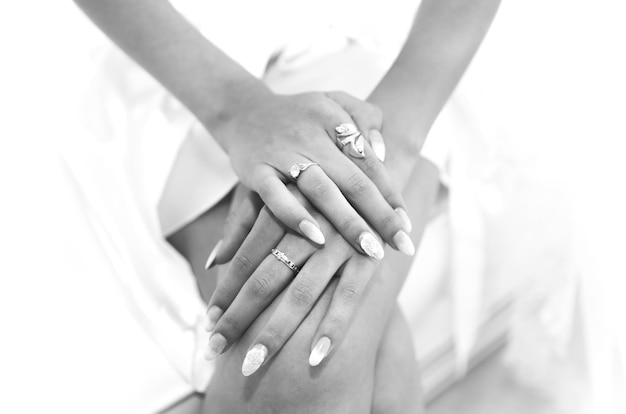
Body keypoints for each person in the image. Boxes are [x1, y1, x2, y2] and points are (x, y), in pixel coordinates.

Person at [73, 0, 500, 411]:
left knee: (305, 358)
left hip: (365, 51)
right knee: (320, 361)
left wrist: (376, 153)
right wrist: (238, 110)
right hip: (181, 61)